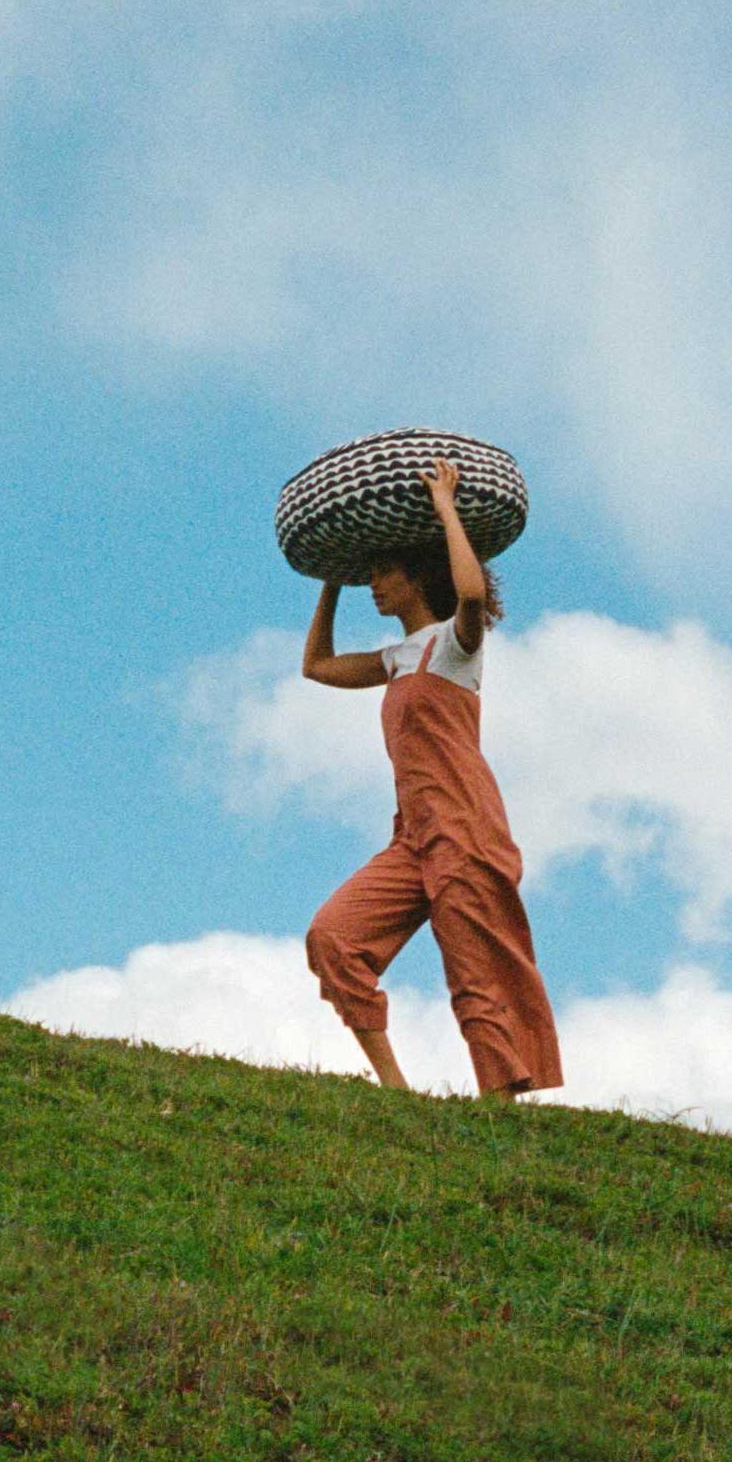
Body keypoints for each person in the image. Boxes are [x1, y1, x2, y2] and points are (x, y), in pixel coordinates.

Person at [298, 459, 562, 1098]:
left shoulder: (455, 646)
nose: (373, 584)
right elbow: (317, 666)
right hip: (413, 837)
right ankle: (394, 1088)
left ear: (418, 577)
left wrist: (445, 505)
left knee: (475, 973)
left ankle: (500, 1106)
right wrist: (331, 579)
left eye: (382, 572)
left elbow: (471, 596)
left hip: (464, 828)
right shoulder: (395, 659)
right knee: (333, 938)